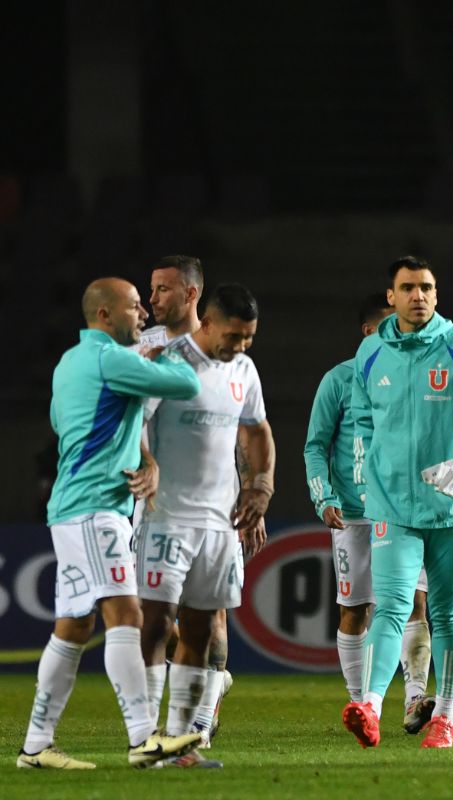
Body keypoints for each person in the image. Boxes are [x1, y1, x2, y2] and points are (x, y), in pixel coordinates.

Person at [17, 278, 203, 769]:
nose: (143, 314)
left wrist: (140, 452)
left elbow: (66, 422)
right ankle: (143, 737)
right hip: (96, 507)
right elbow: (187, 384)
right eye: (134, 307)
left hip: (72, 507)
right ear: (105, 316)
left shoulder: (69, 363)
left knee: (74, 626)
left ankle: (36, 745)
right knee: (127, 614)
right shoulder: (113, 358)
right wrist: (158, 352)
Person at [343, 256, 453, 750]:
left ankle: (445, 716)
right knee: (392, 607)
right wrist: (371, 480)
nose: (418, 296)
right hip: (390, 504)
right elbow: (362, 421)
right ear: (391, 297)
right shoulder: (370, 352)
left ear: (436, 296)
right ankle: (370, 708)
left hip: (451, 505)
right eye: (408, 288)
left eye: (427, 288)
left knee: (444, 613)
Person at [136, 284, 274, 768]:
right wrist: (146, 461)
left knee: (200, 629)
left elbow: (256, 430)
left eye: (249, 338)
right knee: (155, 625)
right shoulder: (168, 362)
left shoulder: (244, 370)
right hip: (168, 516)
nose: (240, 347)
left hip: (221, 522)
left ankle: (180, 745)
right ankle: (145, 739)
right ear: (207, 322)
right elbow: (133, 422)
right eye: (234, 336)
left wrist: (261, 486)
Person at [304, 293, 435, 734]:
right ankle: (361, 704)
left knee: (415, 602)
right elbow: (315, 446)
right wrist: (323, 496)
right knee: (355, 611)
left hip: (401, 509)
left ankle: (416, 697)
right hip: (355, 516)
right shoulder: (339, 381)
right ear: (369, 332)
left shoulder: (411, 379)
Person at [133, 255, 238, 750]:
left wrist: (250, 496)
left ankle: (196, 721)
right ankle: (202, 691)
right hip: (155, 508)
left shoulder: (228, 350)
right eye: (150, 290)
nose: (152, 299)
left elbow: (236, 432)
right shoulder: (142, 349)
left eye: (163, 289)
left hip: (218, 510)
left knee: (210, 618)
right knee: (155, 619)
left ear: (192, 294)